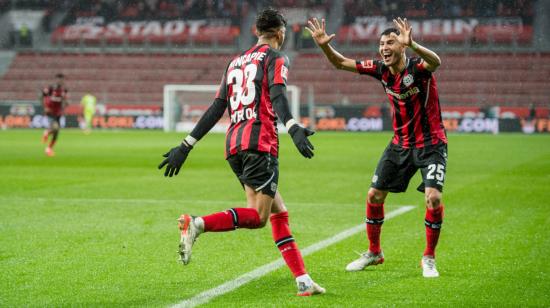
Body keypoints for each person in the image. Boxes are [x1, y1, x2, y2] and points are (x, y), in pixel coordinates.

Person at [158, 8, 325, 296]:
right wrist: (294, 126)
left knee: (278, 212)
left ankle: (303, 280)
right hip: (260, 143)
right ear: (280, 33)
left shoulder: (234, 62)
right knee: (259, 217)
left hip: (234, 144)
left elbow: (216, 108)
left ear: (256, 31)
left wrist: (186, 145)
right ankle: (196, 224)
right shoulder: (274, 58)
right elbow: (277, 94)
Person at [307, 17, 447, 278]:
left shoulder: (418, 67)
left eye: (390, 42)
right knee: (374, 196)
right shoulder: (380, 69)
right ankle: (374, 252)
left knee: (434, 198)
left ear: (401, 46)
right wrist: (325, 45)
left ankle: (428, 257)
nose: (384, 47)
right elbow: (340, 62)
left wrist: (413, 43)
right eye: (381, 43)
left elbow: (436, 62)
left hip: (432, 144)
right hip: (400, 144)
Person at [42, 73, 69, 156]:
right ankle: (47, 132)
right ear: (56, 79)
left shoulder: (64, 90)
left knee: (56, 133)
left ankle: (49, 148)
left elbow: (65, 100)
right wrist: (45, 106)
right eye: (59, 79)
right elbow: (43, 96)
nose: (60, 81)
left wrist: (65, 103)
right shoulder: (51, 88)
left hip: (58, 113)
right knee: (55, 127)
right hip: (50, 112)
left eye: (62, 79)